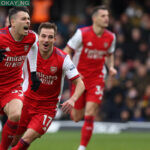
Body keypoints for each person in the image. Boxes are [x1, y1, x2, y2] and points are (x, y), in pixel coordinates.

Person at [11, 22, 85, 149]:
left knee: (26, 138)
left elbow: (80, 83)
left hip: (47, 109)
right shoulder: (29, 51)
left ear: (55, 39)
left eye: (50, 37)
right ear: (38, 37)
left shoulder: (63, 58)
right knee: (12, 141)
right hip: (25, 102)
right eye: (43, 36)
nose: (46, 40)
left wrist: (73, 99)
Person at [64, 5, 117, 150]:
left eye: (107, 15)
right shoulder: (81, 33)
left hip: (98, 78)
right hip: (79, 79)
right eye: (103, 16)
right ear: (94, 18)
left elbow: (109, 54)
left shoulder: (111, 37)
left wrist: (111, 67)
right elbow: (66, 51)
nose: (106, 18)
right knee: (76, 117)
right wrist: (72, 71)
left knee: (91, 111)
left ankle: (82, 147)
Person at [0, 6, 40, 150]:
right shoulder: (0, 37)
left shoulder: (32, 37)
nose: (28, 22)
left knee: (16, 114)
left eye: (29, 19)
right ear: (13, 22)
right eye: (24, 19)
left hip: (12, 85)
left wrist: (34, 72)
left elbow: (35, 48)